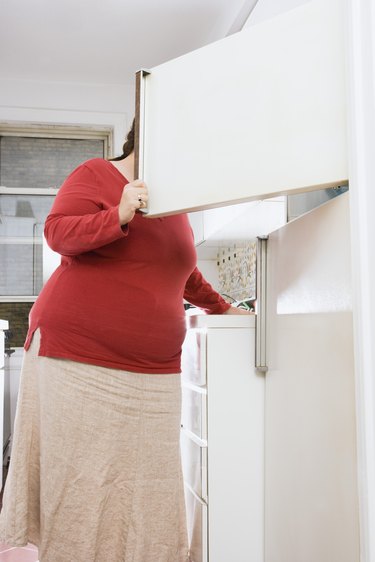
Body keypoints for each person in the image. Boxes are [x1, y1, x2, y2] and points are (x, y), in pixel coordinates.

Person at [0, 119, 249, 562]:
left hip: (151, 372)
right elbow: (58, 232)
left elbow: (180, 269)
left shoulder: (175, 205)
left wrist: (221, 307)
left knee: (145, 490)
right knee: (82, 487)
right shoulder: (96, 173)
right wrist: (117, 214)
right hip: (78, 356)